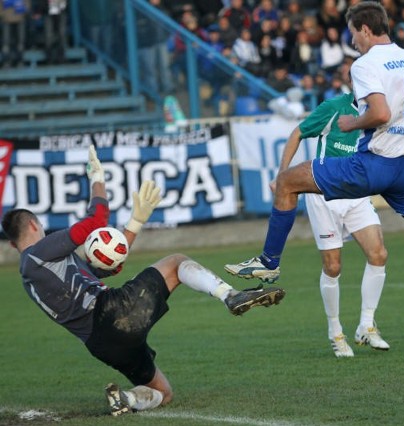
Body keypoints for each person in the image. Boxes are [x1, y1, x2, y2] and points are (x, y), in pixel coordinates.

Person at [224, 1, 404, 307]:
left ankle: (268, 263)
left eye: (353, 34)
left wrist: (353, 122)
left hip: (372, 165)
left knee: (286, 181)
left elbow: (380, 113)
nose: (352, 42)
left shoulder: (365, 65)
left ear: (365, 29)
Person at [1, 146, 286, 416]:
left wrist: (135, 223)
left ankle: (125, 399)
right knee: (175, 262)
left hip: (101, 343)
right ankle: (230, 295)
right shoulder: (38, 254)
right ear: (35, 224)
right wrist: (96, 177)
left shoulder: (38, 271)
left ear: (12, 244)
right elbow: (97, 218)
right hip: (111, 312)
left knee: (163, 392)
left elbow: (108, 265)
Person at [273, 61, 391, 357]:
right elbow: (298, 132)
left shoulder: (379, 111)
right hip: (325, 194)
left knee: (379, 254)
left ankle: (366, 325)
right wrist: (283, 175)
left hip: (357, 192)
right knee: (333, 266)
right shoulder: (334, 107)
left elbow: (394, 138)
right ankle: (335, 332)